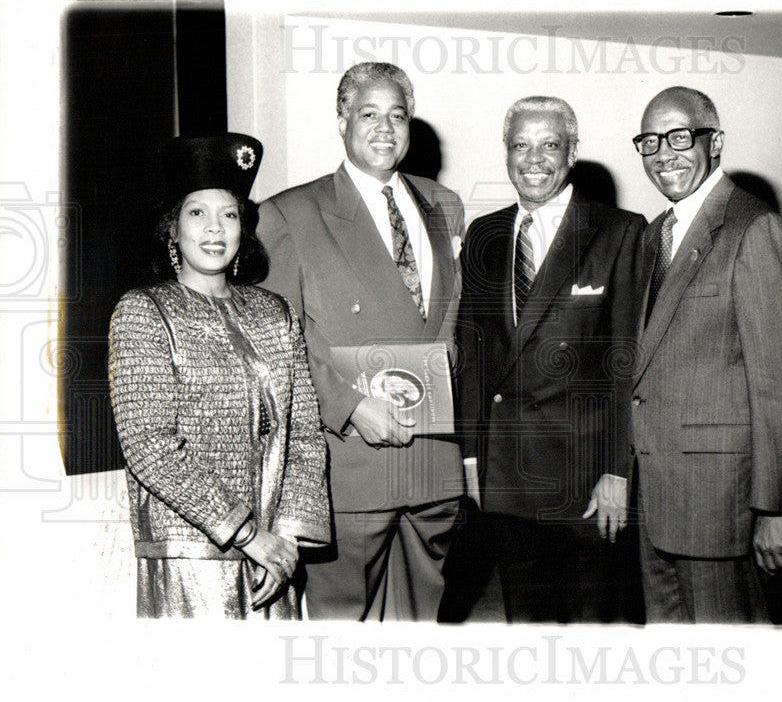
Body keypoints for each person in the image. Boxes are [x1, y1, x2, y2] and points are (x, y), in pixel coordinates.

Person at [257, 62, 466, 621]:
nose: (384, 127)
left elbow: (453, 321)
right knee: (342, 629)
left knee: (422, 628)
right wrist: (349, 409)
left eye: (397, 114)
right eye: (368, 113)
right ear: (342, 120)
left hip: (432, 465)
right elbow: (282, 342)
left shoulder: (443, 204)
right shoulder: (288, 213)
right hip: (350, 464)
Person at [108, 132, 330, 619]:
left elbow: (306, 434)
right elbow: (149, 445)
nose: (214, 229)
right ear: (173, 228)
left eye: (228, 214)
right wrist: (248, 535)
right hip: (191, 561)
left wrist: (285, 537)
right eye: (197, 213)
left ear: (242, 229)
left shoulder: (275, 313)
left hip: (273, 559)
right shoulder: (144, 312)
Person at [453, 95, 646, 623]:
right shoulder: (485, 234)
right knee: (527, 620)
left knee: (591, 624)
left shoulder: (620, 231)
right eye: (521, 145)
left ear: (573, 152)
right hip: (507, 472)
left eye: (550, 145)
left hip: (585, 474)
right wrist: (472, 458)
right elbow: (474, 356)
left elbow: (626, 364)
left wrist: (617, 471)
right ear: (506, 152)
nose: (533, 159)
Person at [630, 86, 782, 623]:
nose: (664, 153)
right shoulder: (654, 235)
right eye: (650, 141)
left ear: (716, 143)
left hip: (721, 504)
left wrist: (775, 507)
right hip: (658, 496)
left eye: (681, 136)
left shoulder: (756, 230)